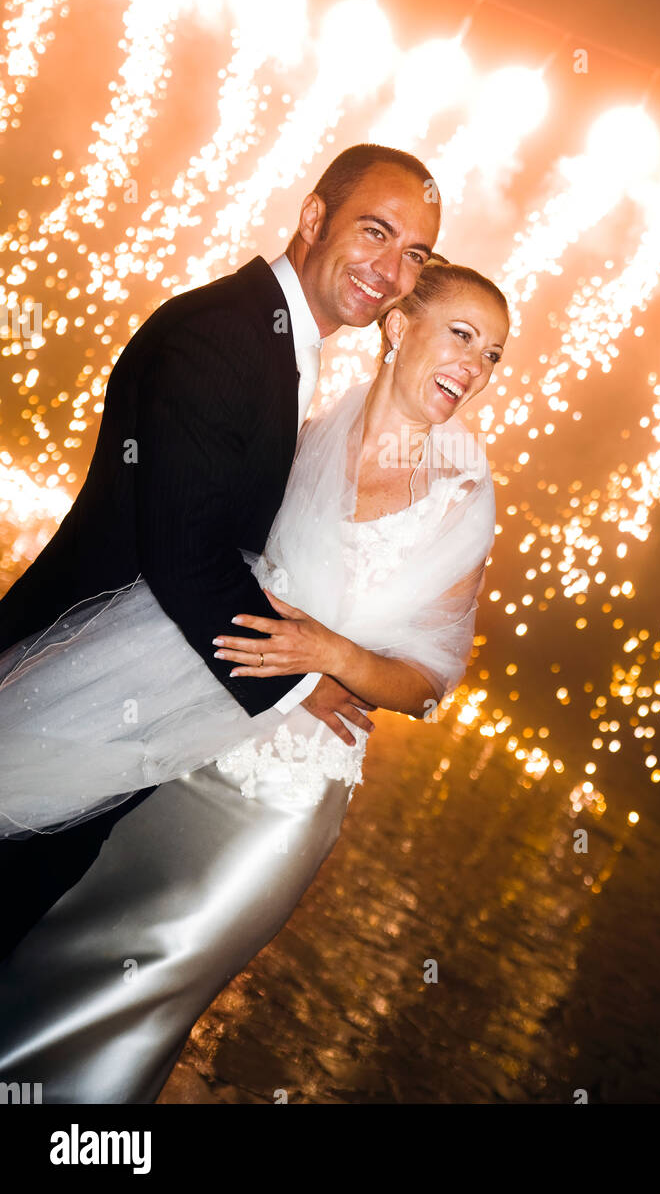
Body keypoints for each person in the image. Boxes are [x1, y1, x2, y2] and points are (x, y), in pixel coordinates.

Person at [0, 257, 510, 1104]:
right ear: (398, 327)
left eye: (494, 354)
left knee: (147, 984)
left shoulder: (460, 498)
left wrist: (332, 657)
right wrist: (283, 657)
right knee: (59, 934)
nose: (476, 363)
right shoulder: (307, 433)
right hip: (180, 735)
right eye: (462, 334)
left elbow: (426, 686)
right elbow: (207, 553)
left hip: (279, 795)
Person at [0, 142, 441, 959]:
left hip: (119, 699)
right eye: (375, 232)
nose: (391, 269)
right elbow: (185, 550)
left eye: (414, 253)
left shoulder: (286, 348)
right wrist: (297, 681)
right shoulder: (221, 335)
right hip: (61, 681)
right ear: (314, 218)